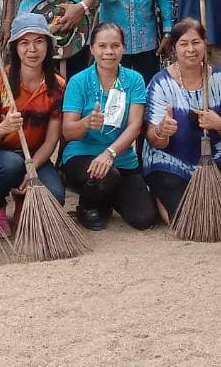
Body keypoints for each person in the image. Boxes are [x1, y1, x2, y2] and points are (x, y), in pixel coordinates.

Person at [142, 17, 221, 222]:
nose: (191, 49)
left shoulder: (219, 78)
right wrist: (163, 130)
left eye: (196, 42)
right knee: (186, 218)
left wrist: (219, 124)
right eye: (184, 44)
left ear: (205, 43)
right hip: (170, 159)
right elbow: (154, 140)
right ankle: (161, 196)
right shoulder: (160, 83)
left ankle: (215, 195)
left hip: (212, 156)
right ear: (174, 48)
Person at [0, 14, 67, 235]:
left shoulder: (58, 86)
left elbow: (52, 139)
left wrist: (32, 168)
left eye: (39, 41)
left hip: (35, 155)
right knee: (12, 165)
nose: (32, 50)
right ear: (15, 47)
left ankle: (23, 198)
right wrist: (4, 127)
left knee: (56, 197)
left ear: (48, 45)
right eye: (24, 43)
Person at [61, 23, 156, 230]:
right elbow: (68, 131)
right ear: (92, 49)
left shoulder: (134, 79)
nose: (109, 52)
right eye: (102, 46)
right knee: (107, 176)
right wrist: (86, 123)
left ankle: (107, 196)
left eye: (115, 46)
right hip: (82, 155)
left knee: (144, 218)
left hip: (120, 157)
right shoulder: (78, 81)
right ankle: (88, 204)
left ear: (123, 48)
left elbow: (134, 127)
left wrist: (110, 152)